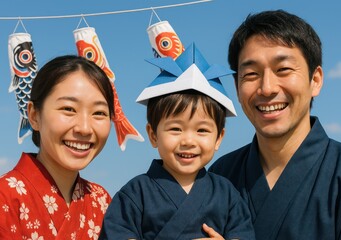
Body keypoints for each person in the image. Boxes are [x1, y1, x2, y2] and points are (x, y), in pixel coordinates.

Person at [209, 9, 341, 239]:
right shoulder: (220, 176)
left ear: (315, 80)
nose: (267, 88)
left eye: (283, 70)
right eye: (250, 74)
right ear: (237, 88)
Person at [99, 43, 255, 239]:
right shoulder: (134, 193)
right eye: (175, 129)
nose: (188, 140)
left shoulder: (227, 194)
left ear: (219, 138)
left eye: (202, 130)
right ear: (153, 135)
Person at [0, 55, 115, 239]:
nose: (84, 128)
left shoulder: (101, 201)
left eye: (99, 113)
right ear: (34, 116)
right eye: (68, 109)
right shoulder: (4, 196)